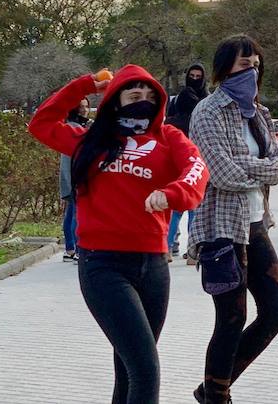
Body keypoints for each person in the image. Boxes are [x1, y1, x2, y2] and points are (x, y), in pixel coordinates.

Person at [28, 64, 209, 404]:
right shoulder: (89, 140)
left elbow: (197, 170)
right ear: (115, 100)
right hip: (103, 267)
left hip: (154, 266)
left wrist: (172, 193)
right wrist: (86, 86)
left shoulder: (169, 139)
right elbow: (41, 123)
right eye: (134, 95)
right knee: (145, 368)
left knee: (128, 369)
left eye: (150, 96)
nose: (143, 101)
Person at [189, 35, 278, 404]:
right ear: (224, 67)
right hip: (220, 229)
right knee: (230, 320)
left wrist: (257, 167)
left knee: (275, 313)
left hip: (256, 222)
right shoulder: (208, 111)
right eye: (245, 64)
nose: (253, 70)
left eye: (256, 64)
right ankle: (217, 396)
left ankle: (212, 389)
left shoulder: (258, 113)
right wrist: (261, 168)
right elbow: (220, 173)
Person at [165, 62, 208, 258]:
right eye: (193, 75)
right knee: (183, 206)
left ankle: (180, 246)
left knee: (189, 206)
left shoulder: (205, 100)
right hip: (180, 154)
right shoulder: (200, 101)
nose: (195, 79)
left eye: (199, 76)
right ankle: (182, 246)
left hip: (197, 155)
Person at [59, 98, 90, 261]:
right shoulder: (75, 128)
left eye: (86, 106)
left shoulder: (73, 126)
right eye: (81, 107)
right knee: (77, 215)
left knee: (70, 213)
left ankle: (70, 248)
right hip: (75, 177)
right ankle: (77, 249)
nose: (85, 110)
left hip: (70, 177)